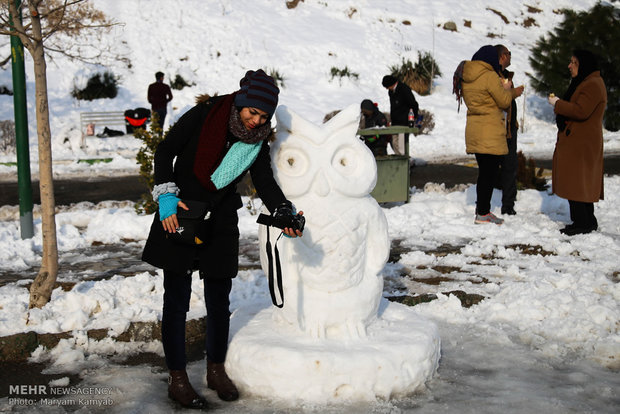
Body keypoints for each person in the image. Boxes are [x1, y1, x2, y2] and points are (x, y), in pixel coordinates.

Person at [142, 69, 304, 409]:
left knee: (219, 300)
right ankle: (178, 378)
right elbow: (165, 151)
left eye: (263, 116)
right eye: (252, 112)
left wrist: (284, 211)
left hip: (219, 220)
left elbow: (264, 180)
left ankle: (216, 369)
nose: (256, 120)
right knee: (176, 301)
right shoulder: (205, 115)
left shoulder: (256, 139)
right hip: (181, 212)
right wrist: (166, 196)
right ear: (241, 103)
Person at [460, 45, 524, 225]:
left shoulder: (467, 77)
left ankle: (482, 210)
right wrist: (512, 91)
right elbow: (503, 101)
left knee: (484, 173)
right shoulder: (489, 76)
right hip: (490, 130)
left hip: (475, 128)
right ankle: (483, 213)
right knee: (489, 174)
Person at [547, 49, 606, 235]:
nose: (569, 66)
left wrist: (557, 103)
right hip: (579, 142)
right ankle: (586, 221)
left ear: (584, 65)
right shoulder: (586, 82)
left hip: (582, 144)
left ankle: (582, 223)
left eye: (574, 62)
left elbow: (581, 111)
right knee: (579, 182)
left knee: (579, 182)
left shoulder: (592, 84)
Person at [495, 44, 519, 215]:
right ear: (503, 56)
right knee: (495, 167)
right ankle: (485, 206)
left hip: (510, 127)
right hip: (498, 128)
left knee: (510, 166)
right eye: (509, 54)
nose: (511, 57)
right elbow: (500, 100)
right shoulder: (493, 76)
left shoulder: (505, 75)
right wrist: (512, 93)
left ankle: (508, 206)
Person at [382, 75, 419, 155]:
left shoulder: (404, 89)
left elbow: (413, 104)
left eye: (387, 87)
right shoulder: (391, 91)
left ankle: (403, 162)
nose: (386, 89)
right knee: (394, 142)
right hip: (395, 121)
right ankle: (400, 159)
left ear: (391, 84)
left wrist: (413, 117)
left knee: (401, 144)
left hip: (404, 121)